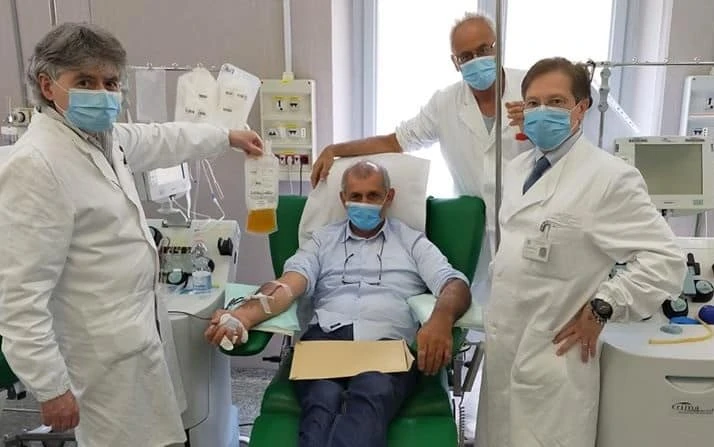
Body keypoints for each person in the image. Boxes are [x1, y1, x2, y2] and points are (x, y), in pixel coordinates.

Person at [0, 23, 263, 446]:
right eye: (85, 82)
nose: (102, 93)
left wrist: (226, 136)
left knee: (159, 436)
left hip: (134, 336)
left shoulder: (104, 139)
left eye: (110, 82)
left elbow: (162, 138)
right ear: (48, 86)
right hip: (97, 357)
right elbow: (20, 297)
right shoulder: (36, 164)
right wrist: (50, 387)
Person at [482, 57, 686, 447]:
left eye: (556, 101)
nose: (542, 111)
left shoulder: (610, 178)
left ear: (581, 108)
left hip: (553, 360)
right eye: (533, 102)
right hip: (505, 351)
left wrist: (603, 306)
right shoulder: (518, 169)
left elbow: (665, 261)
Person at [205, 160, 472, 447]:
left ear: (389, 197)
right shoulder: (322, 241)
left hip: (386, 346)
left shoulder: (412, 242)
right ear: (343, 199)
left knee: (370, 395)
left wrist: (441, 319)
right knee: (322, 400)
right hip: (325, 341)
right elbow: (288, 285)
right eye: (356, 196)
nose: (364, 203)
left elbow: (454, 284)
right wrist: (243, 316)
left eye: (373, 195)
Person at [311, 12, 526, 306]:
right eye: (465, 57)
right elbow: (395, 142)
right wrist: (335, 149)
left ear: (497, 46)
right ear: (455, 62)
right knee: (479, 312)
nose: (476, 61)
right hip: (478, 228)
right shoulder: (445, 103)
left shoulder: (531, 90)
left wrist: (536, 121)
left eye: (483, 50)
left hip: (527, 224)